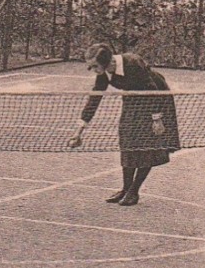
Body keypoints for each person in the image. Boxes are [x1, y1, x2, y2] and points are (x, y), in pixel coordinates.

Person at [69, 43, 181, 206]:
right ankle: (125, 188)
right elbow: (95, 98)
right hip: (132, 99)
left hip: (156, 98)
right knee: (127, 141)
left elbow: (152, 89)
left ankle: (134, 191)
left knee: (148, 146)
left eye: (94, 66)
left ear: (108, 62)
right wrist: (79, 131)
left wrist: (157, 119)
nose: (92, 70)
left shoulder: (133, 63)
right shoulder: (104, 73)